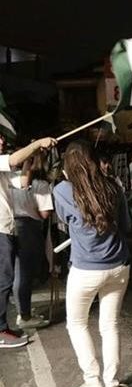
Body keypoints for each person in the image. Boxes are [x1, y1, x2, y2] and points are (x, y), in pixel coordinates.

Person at [54, 140, 130, 387]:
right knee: (110, 325)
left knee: (76, 324)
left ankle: (92, 381)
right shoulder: (113, 186)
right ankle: (112, 385)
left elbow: (65, 222)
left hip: (85, 269)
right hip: (118, 266)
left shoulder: (63, 190)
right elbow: (126, 226)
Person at [0, 135, 56, 348]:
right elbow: (12, 160)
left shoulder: (4, 172)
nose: (2, 142)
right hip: (1, 230)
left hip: (7, 229)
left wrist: (30, 157)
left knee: (7, 279)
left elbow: (23, 182)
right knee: (4, 280)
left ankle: (3, 327)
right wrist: (36, 144)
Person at [12, 152, 53, 329]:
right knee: (23, 274)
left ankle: (24, 310)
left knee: (15, 273)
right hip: (28, 228)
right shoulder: (41, 184)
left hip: (9, 225)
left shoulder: (9, 179)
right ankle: (25, 316)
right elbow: (45, 213)